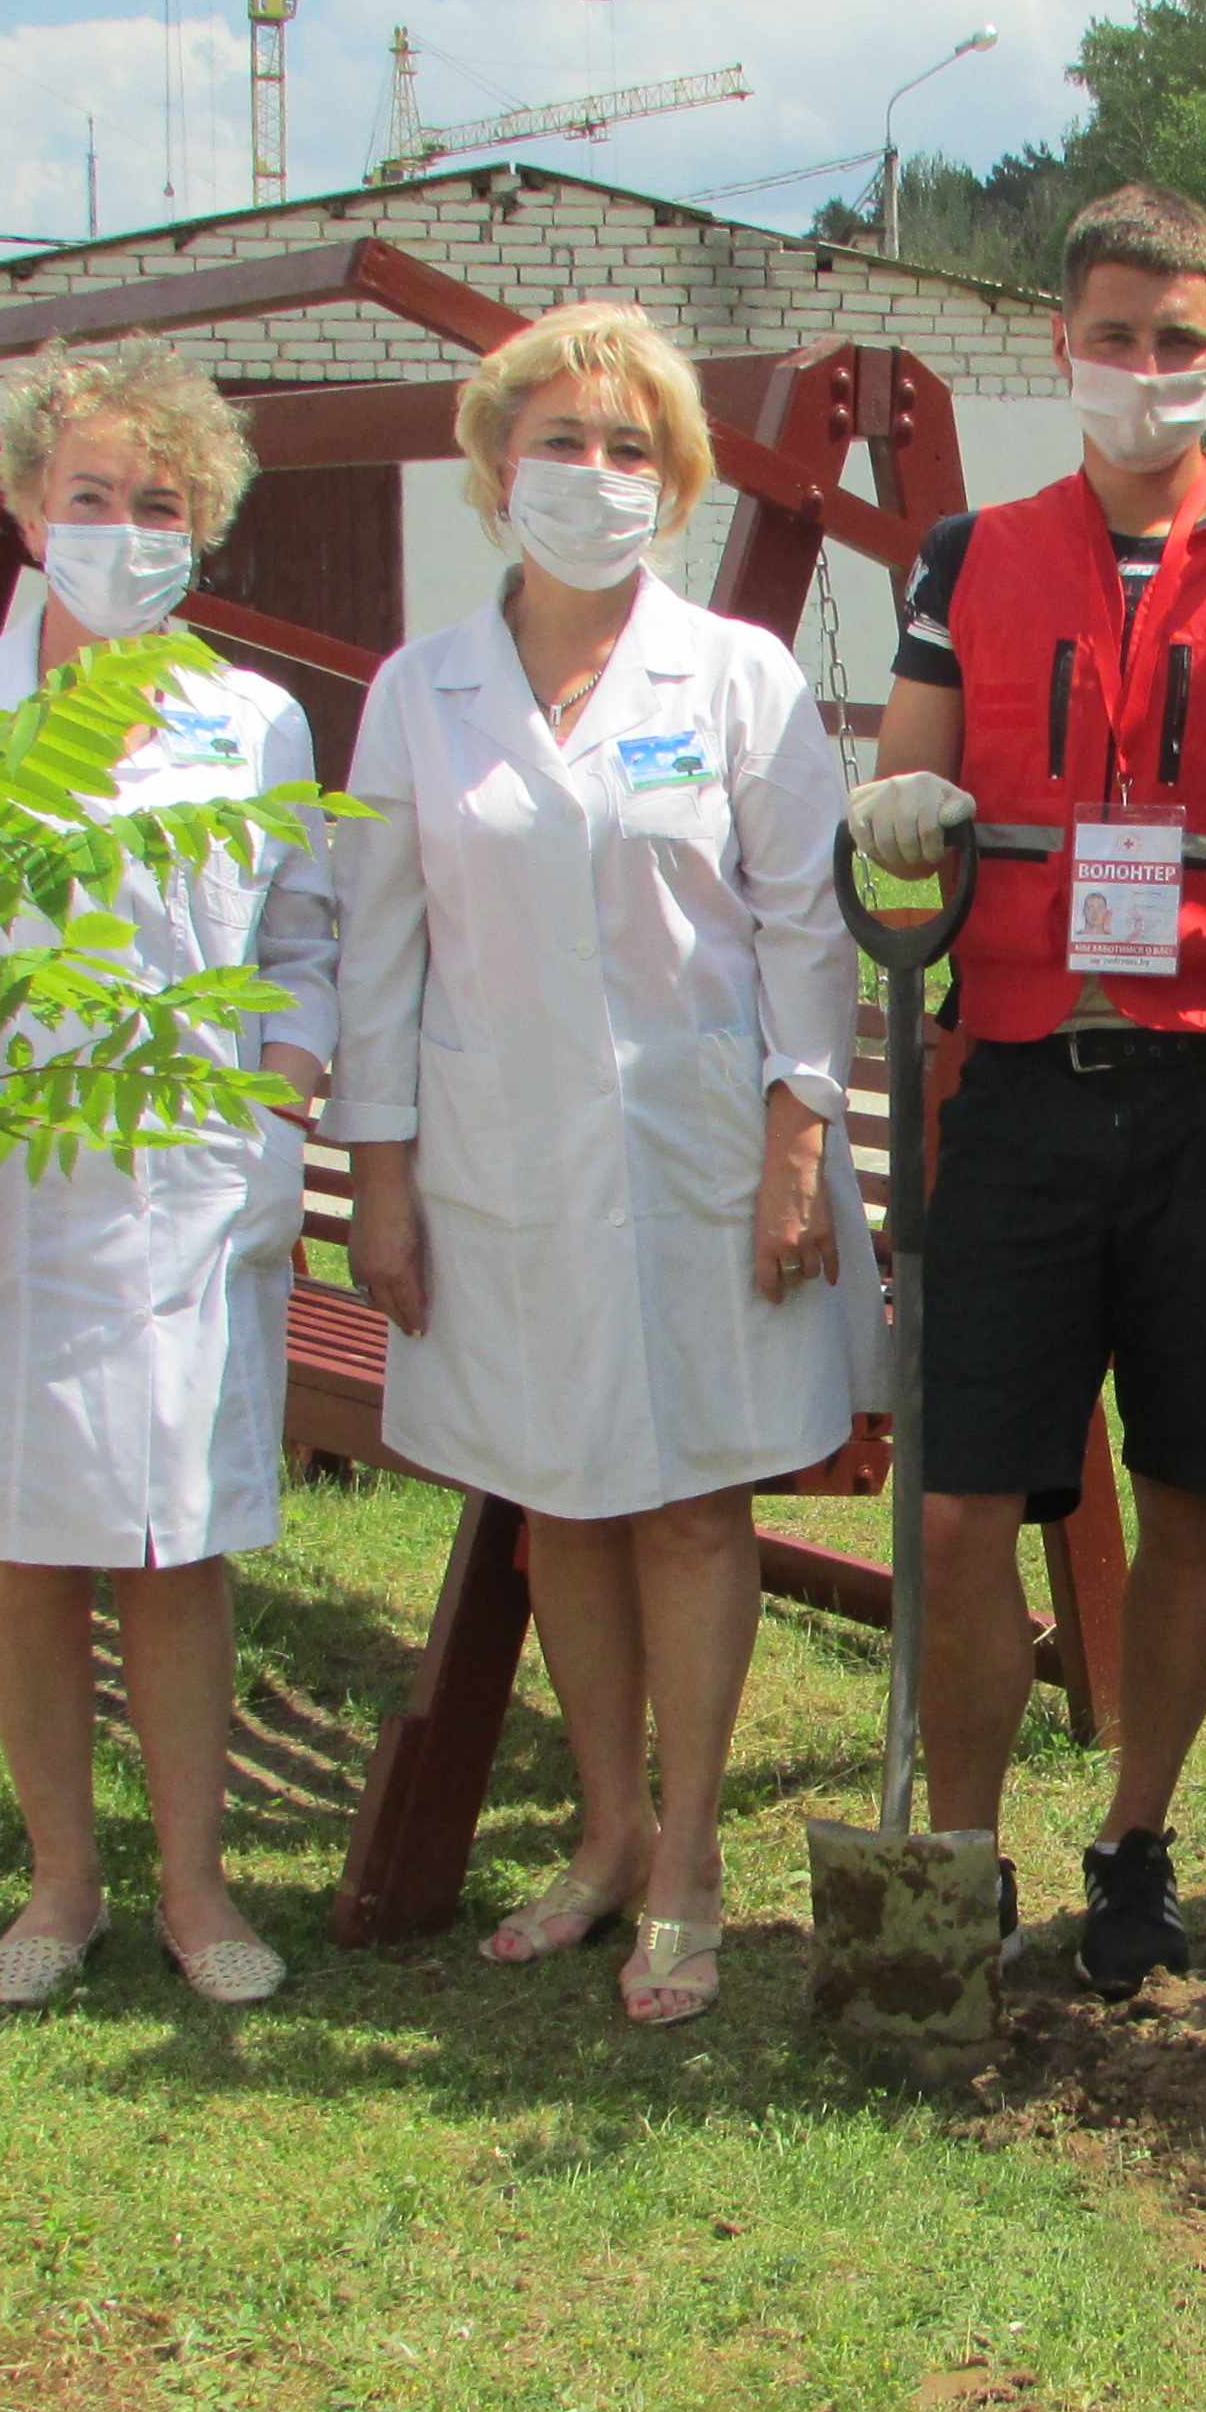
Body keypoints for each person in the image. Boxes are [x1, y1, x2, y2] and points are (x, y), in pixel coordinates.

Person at [844, 183, 1206, 1997]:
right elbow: (910, 791)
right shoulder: (966, 553)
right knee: (957, 1507)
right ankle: (967, 1850)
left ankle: (1137, 1839)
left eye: (1181, 342)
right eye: (1114, 338)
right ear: (1061, 346)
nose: (1146, 370)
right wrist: (901, 821)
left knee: (1190, 1490)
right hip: (1014, 1073)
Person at [323, 301, 876, 2028]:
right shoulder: (424, 692)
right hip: (502, 1168)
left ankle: (695, 1857)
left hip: (710, 1155)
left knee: (698, 1497)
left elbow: (807, 929)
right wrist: (386, 1180)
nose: (595, 474)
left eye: (631, 447)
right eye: (561, 441)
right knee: (554, 1492)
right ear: (496, 473)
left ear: (680, 482)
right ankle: (607, 1830)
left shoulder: (736, 678)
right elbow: (377, 956)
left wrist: (799, 1142)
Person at [0, 336, 331, 2013]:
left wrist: (281, 1088)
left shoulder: (250, 720)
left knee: (177, 1541)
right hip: (4, 1190)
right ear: (20, 505)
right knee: (25, 1540)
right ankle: (61, 1880)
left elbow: (305, 936)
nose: (126, 529)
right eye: (92, 496)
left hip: (187, 1189)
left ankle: (194, 1881)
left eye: (163, 504)